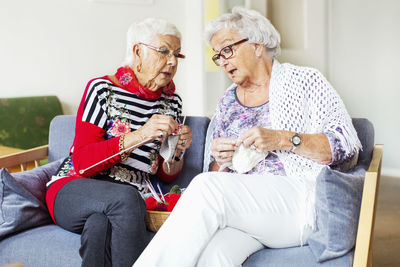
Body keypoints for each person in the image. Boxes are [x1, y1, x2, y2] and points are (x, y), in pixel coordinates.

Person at [133, 7, 361, 267]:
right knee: (213, 256)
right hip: (247, 213)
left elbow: (345, 146)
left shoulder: (305, 81)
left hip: (301, 202)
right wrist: (221, 160)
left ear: (257, 45)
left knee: (206, 187)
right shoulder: (227, 102)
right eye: (218, 56)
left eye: (227, 50)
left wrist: (282, 139)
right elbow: (217, 173)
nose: (223, 61)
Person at [45, 18, 192, 267]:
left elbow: (166, 174)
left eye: (177, 54)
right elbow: (82, 162)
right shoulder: (102, 89)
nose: (172, 61)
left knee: (99, 226)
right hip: (75, 189)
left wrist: (176, 153)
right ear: (138, 51)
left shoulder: (172, 103)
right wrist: (140, 135)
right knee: (125, 199)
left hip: (126, 202)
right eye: (164, 51)